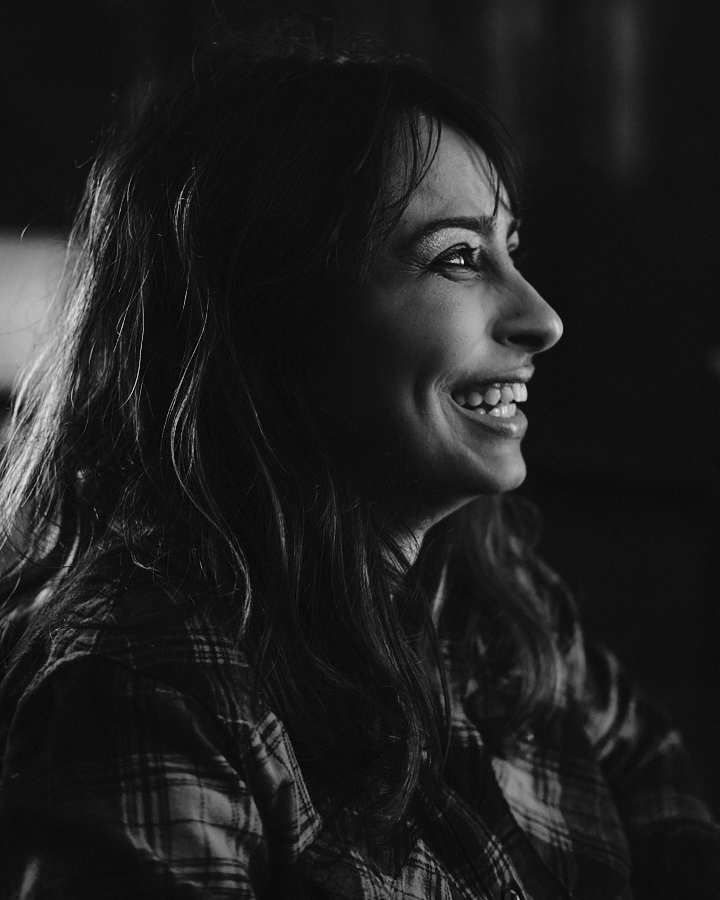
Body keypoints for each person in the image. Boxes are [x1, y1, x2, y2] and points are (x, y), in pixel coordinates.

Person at [0, 28, 717, 900]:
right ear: (270, 324)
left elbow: (671, 820)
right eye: (459, 258)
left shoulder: (498, 603)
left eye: (510, 251)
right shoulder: (146, 689)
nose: (542, 319)